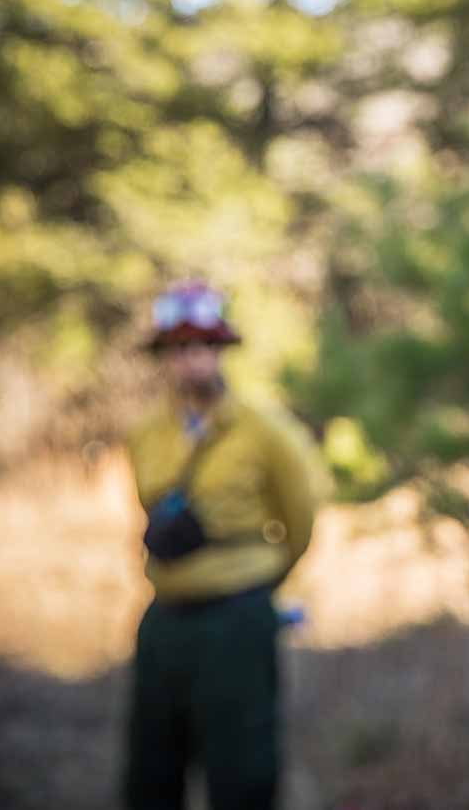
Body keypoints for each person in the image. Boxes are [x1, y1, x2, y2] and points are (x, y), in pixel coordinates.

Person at [123, 280, 328, 810]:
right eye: (178, 349)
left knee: (242, 768)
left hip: (236, 618)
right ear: (164, 357)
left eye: (202, 347)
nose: (191, 361)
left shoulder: (267, 431)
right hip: (165, 615)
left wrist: (257, 588)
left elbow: (299, 522)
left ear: (220, 352)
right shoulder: (146, 433)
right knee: (151, 767)